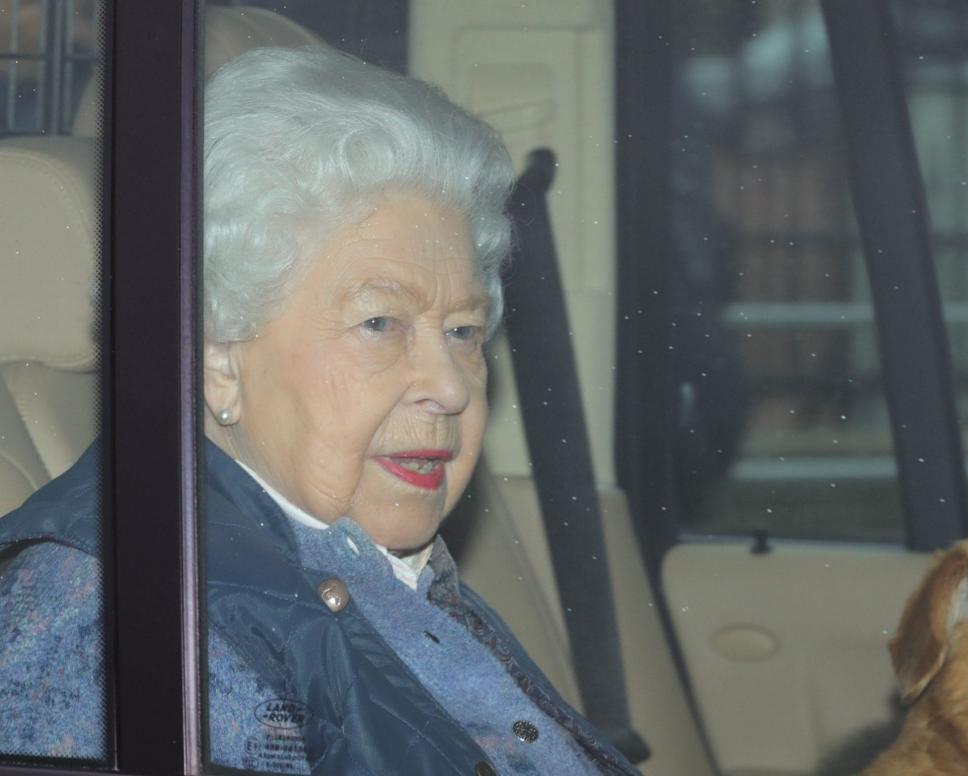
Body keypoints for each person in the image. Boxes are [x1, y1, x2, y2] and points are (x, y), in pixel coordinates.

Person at [0, 46, 640, 776]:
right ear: (215, 358)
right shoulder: (121, 624)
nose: (454, 387)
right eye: (380, 323)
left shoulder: (376, 571)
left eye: (463, 331)